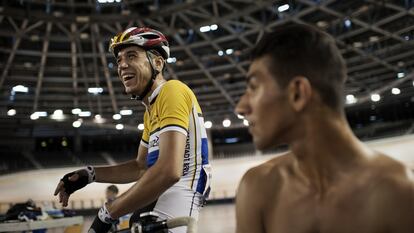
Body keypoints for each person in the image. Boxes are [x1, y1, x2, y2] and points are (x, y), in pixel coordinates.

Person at [235, 23, 414, 233]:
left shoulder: (399, 193)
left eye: (254, 87)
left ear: (298, 94)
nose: (241, 107)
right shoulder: (257, 188)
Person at [54, 27, 211, 233]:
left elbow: (169, 171)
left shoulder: (172, 90)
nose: (122, 65)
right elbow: (140, 167)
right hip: (155, 205)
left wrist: (109, 211)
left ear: (157, 63)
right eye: (119, 60)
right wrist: (90, 174)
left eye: (131, 56)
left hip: (176, 205)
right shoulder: (151, 111)